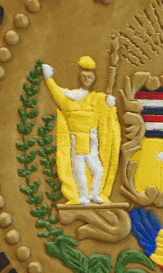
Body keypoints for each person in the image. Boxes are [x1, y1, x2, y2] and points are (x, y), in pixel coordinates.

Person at [41, 57, 120, 205]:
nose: (86, 79)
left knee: (98, 171)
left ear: (94, 78)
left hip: (92, 143)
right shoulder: (68, 99)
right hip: (76, 141)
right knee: (79, 172)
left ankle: (95, 194)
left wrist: (110, 102)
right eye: (84, 76)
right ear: (79, 77)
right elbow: (56, 93)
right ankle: (83, 196)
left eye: (90, 76)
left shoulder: (97, 98)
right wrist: (48, 78)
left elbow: (106, 109)